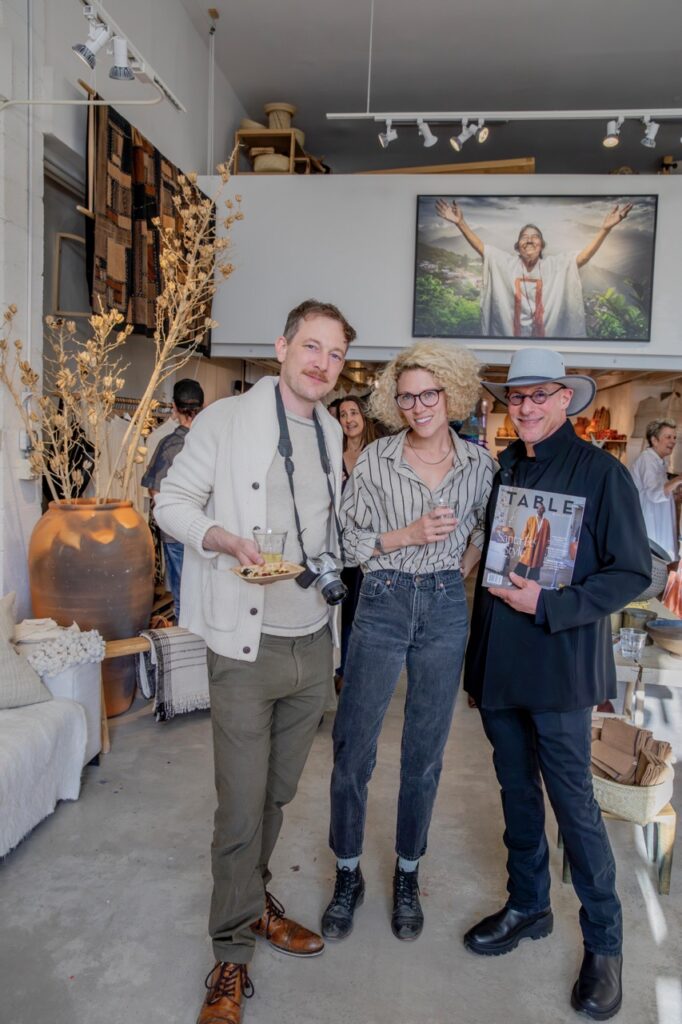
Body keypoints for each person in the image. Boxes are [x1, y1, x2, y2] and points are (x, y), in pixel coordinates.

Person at [154, 299, 356, 1024]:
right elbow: (169, 502)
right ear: (281, 346)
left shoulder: (333, 433)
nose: (321, 363)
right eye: (311, 346)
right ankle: (231, 955)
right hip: (246, 646)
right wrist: (221, 540)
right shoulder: (226, 420)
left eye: (334, 354)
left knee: (273, 797)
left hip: (312, 644)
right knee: (240, 808)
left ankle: (253, 897)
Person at [463, 348, 651, 1021]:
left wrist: (549, 605)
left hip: (561, 666)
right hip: (501, 666)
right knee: (516, 795)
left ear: (566, 399)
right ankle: (528, 904)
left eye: (541, 395)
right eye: (518, 398)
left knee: (575, 808)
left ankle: (606, 943)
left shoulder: (605, 473)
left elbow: (633, 574)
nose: (529, 408)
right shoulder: (507, 465)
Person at [322, 341, 493, 943]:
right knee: (353, 747)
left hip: (446, 606)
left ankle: (407, 872)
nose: (419, 406)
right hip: (384, 599)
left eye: (430, 394)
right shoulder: (374, 460)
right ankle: (347, 872)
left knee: (424, 753)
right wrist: (410, 534)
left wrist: (461, 568)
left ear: (451, 394)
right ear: (393, 402)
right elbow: (348, 544)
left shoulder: (479, 465)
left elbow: (482, 528)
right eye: (407, 396)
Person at [434, 199, 633, 339]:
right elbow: (482, 247)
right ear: (517, 246)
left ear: (542, 245)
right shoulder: (507, 264)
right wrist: (461, 222)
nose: (529, 239)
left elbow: (584, 256)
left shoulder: (554, 266)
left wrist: (605, 229)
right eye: (524, 236)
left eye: (535, 236)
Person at [142, 378, 205, 621]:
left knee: (182, 595)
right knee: (205, 592)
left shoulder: (168, 444)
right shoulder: (212, 441)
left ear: (174, 408)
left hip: (176, 533)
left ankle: (184, 650)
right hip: (206, 530)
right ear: (203, 406)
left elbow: (154, 492)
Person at [334, 396, 376, 692]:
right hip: (335, 544)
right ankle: (341, 669)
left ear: (365, 417)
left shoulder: (378, 453)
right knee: (341, 610)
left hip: (370, 546)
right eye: (342, 414)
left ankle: (355, 669)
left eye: (353, 413)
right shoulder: (332, 454)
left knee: (364, 612)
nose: (348, 419)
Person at [629, 419, 682, 561]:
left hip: (657, 523)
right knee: (652, 565)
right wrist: (678, 480)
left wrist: (675, 492)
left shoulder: (660, 461)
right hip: (649, 524)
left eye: (674, 437)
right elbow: (654, 494)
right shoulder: (647, 459)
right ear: (654, 440)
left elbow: (662, 490)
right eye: (668, 437)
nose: (673, 441)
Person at [515, 501, 550, 581]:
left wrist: (547, 548)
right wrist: (524, 542)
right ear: (537, 509)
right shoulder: (531, 519)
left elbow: (548, 536)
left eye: (541, 508)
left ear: (543, 510)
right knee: (525, 559)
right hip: (530, 544)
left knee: (537, 561)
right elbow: (525, 531)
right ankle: (518, 576)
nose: (539, 510)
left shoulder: (546, 522)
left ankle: (532, 579)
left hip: (540, 546)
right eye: (538, 508)